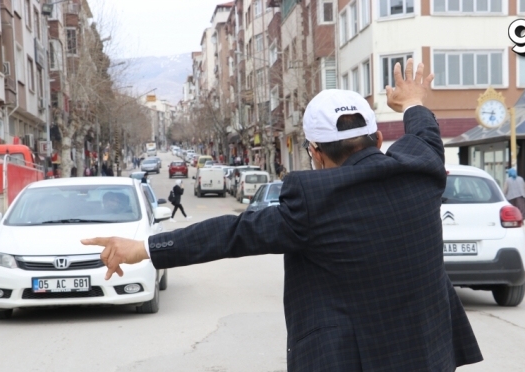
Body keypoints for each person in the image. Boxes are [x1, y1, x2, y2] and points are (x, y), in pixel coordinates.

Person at [80, 60, 482, 371]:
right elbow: (425, 129)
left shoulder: (313, 198)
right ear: (378, 138)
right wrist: (411, 99)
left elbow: (232, 234)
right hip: (429, 356)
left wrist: (145, 248)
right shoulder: (422, 168)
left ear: (316, 153)